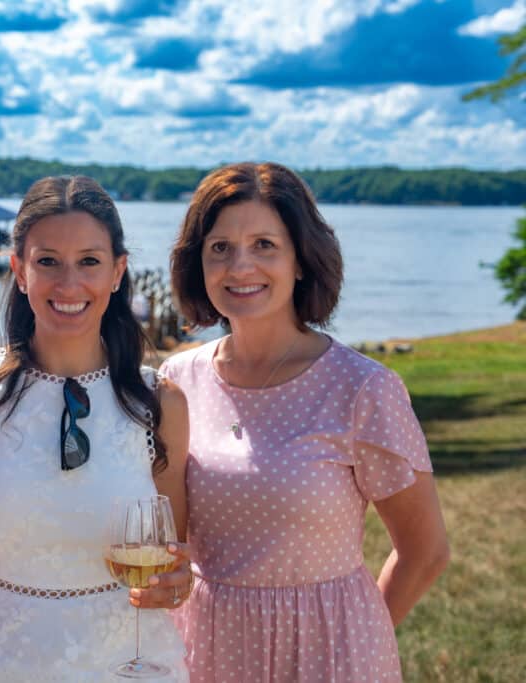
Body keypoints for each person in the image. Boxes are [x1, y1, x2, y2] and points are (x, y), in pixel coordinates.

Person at [160, 162, 450, 682]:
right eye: (219, 247)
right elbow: (165, 536)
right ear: (198, 264)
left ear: (300, 260)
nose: (239, 266)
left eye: (264, 245)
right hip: (203, 651)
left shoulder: (362, 388)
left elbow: (425, 552)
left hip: (329, 654)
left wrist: (357, 640)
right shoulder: (176, 380)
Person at [0, 175, 193, 682]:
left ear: (118, 272)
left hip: (124, 667)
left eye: (89, 261)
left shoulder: (161, 403)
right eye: (48, 262)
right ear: (19, 270)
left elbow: (171, 555)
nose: (69, 284)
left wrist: (177, 582)